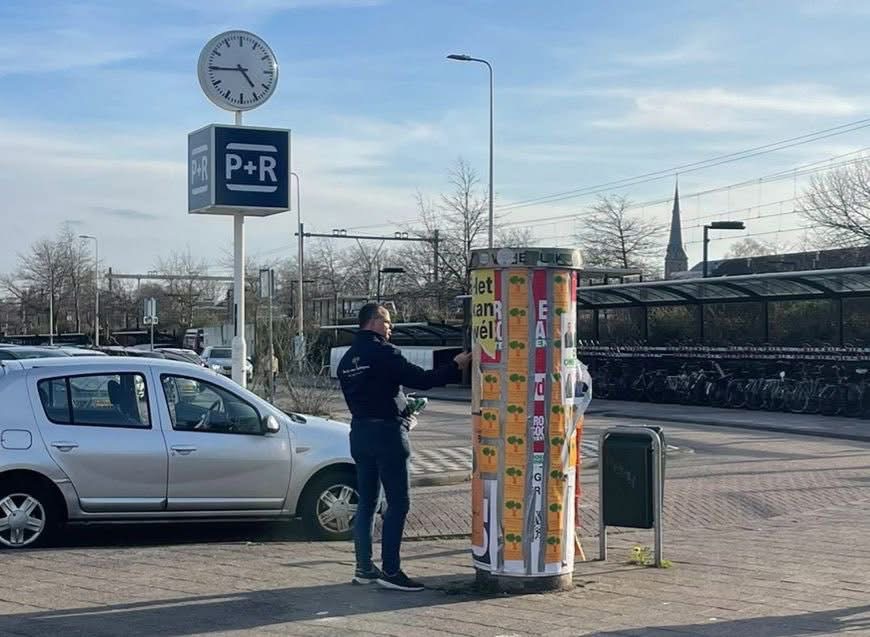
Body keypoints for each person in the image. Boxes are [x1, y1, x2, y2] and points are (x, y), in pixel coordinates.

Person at [338, 303, 471, 592]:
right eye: (387, 322)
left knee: (368, 503)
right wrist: (457, 365)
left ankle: (363, 568)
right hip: (387, 434)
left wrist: (400, 403)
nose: (391, 328)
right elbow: (422, 379)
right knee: (398, 503)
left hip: (359, 432)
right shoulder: (385, 353)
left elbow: (373, 391)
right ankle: (391, 571)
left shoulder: (347, 359)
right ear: (373, 322)